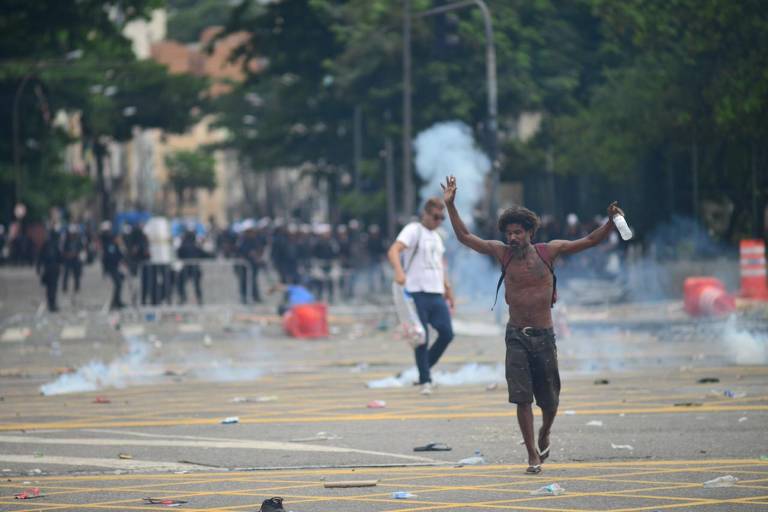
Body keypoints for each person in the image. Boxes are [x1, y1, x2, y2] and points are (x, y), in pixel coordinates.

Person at [441, 175, 625, 475]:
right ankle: (531, 454)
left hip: (545, 336)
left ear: (529, 232)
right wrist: (451, 206)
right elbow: (465, 238)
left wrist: (611, 222)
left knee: (550, 401)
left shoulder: (548, 252)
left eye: (517, 232)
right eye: (508, 233)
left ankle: (545, 433)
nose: (512, 238)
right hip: (516, 336)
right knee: (522, 398)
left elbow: (589, 241)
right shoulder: (502, 254)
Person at [387, 197, 455, 396]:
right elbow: (394, 250)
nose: (438, 221)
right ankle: (425, 379)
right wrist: (399, 272)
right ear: (425, 214)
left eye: (442, 217)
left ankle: (422, 368)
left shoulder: (437, 236)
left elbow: (440, 265)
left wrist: (448, 289)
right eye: (435, 217)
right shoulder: (413, 230)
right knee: (421, 336)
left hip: (436, 293)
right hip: (416, 291)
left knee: (447, 333)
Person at [36, 228, 63, 312]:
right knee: (52, 288)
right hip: (52, 269)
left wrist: (38, 268)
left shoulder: (48, 244)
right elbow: (60, 258)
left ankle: (51, 304)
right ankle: (52, 304)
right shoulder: (54, 245)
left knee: (50, 288)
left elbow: (40, 257)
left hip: (49, 268)